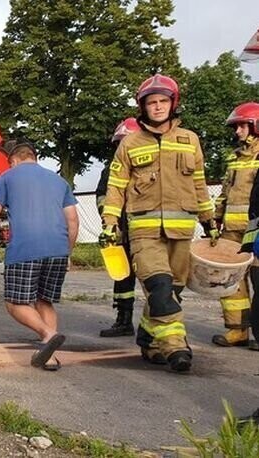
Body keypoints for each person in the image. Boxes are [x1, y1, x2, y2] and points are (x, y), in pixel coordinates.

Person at [100, 74, 216, 373]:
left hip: (182, 230)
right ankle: (176, 346)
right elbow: (115, 187)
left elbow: (200, 185)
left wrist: (209, 221)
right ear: (143, 107)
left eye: (163, 101)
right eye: (152, 102)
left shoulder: (190, 140)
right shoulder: (129, 144)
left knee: (171, 293)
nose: (158, 107)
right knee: (160, 287)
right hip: (144, 231)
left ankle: (149, 340)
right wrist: (110, 222)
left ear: (173, 104)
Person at [0, 140, 79, 371]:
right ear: (34, 157)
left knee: (15, 303)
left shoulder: (7, 177)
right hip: (57, 250)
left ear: (13, 160)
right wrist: (68, 252)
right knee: (44, 300)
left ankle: (48, 333)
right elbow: (73, 220)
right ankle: (51, 355)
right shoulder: (59, 181)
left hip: (25, 249)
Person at [212, 102, 259, 348]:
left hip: (256, 229)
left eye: (242, 125)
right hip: (231, 230)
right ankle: (237, 330)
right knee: (231, 281)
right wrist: (216, 218)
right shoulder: (235, 157)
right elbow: (225, 192)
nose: (237, 131)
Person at [95, 118, 141, 337]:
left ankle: (158, 326)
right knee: (123, 277)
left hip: (145, 233)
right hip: (121, 232)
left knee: (155, 279)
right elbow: (102, 197)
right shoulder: (111, 170)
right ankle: (123, 320)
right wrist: (110, 223)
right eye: (120, 143)